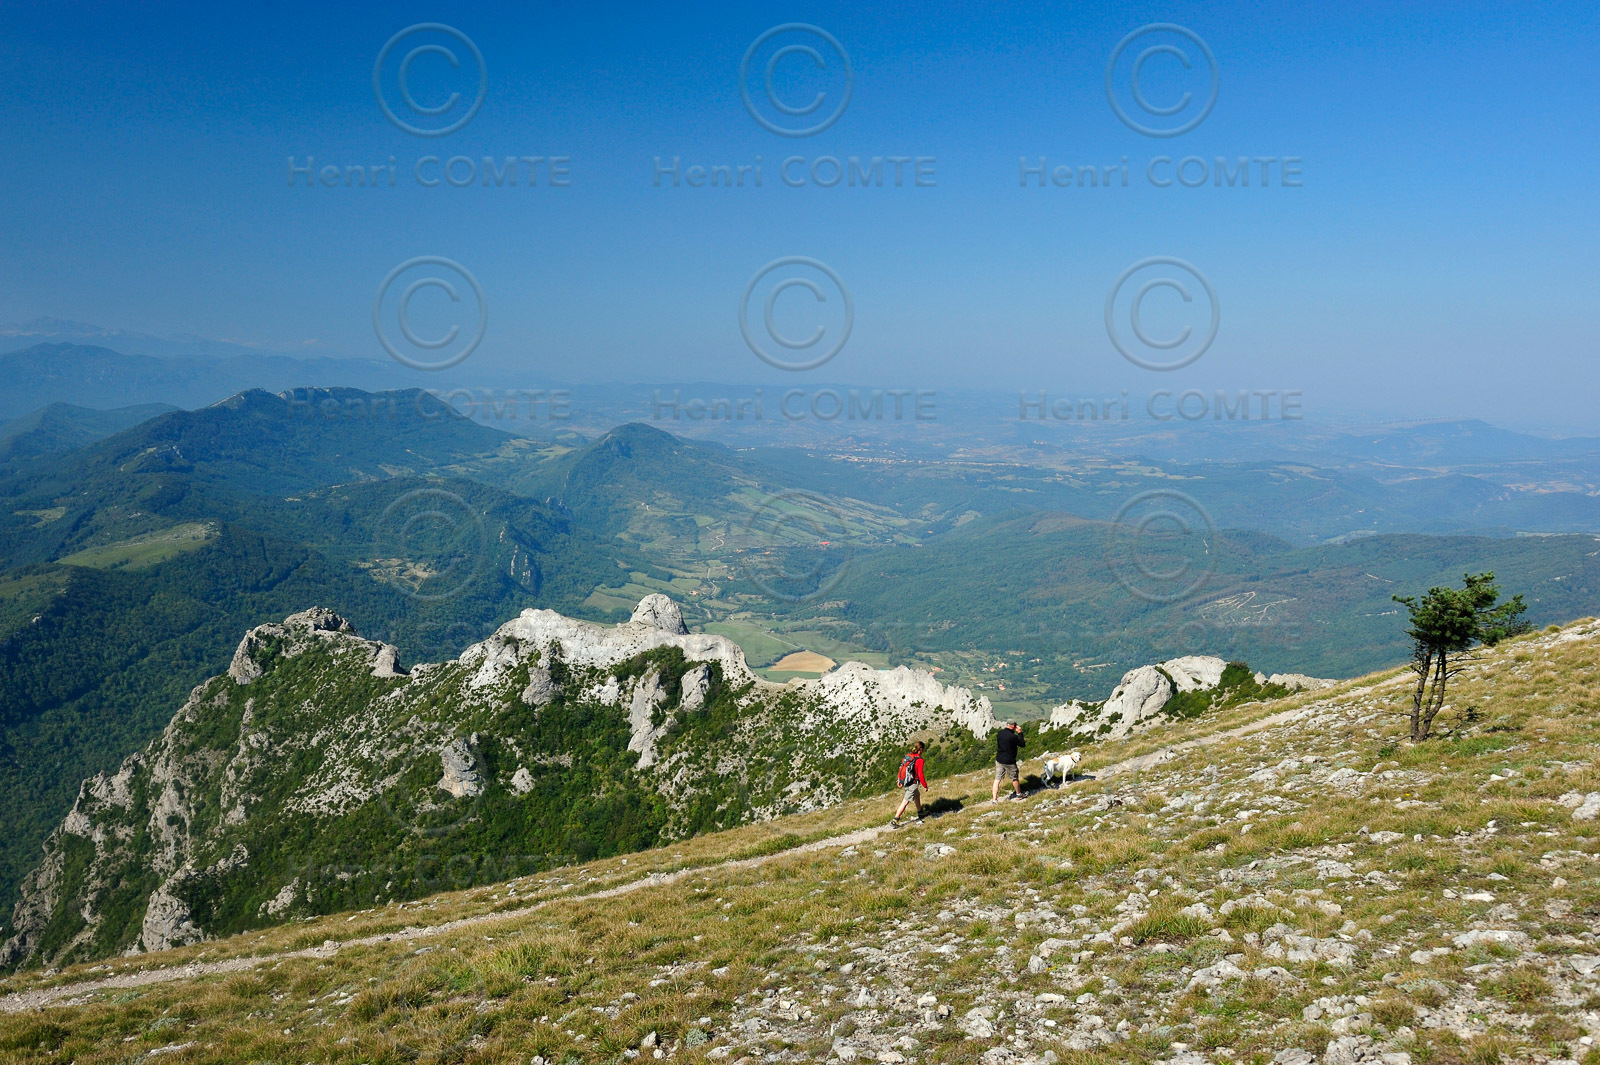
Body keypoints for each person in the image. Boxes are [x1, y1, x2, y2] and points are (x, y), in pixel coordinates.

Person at [890, 741, 928, 828]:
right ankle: (895, 819)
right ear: (921, 749)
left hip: (906, 781)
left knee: (917, 795)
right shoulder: (919, 760)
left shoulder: (908, 756)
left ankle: (920, 812)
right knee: (906, 801)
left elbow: (901, 768)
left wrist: (899, 780)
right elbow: (920, 774)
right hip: (913, 783)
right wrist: (925, 785)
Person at [992, 721, 1025, 802]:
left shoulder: (1000, 733)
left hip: (999, 759)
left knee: (997, 779)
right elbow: (1022, 744)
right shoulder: (1013, 737)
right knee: (1014, 778)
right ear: (1013, 726)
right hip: (1009, 761)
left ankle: (994, 800)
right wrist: (1020, 732)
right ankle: (1019, 794)